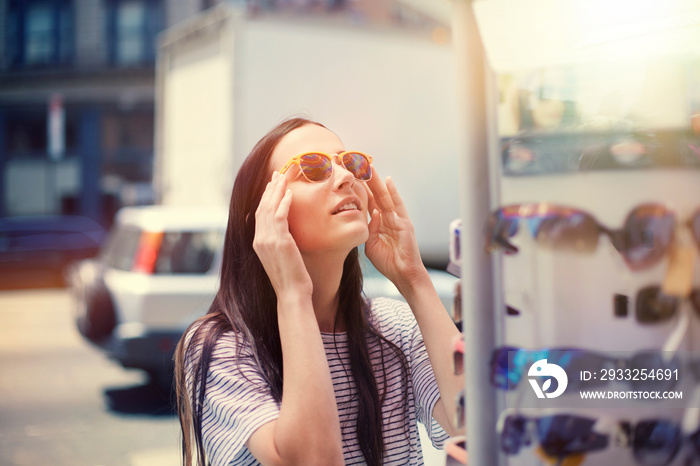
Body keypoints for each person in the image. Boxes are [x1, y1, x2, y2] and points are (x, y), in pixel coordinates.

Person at [174, 117, 463, 466]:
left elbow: (478, 426)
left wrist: (415, 280)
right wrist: (293, 294)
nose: (347, 177)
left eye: (351, 163)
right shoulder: (220, 347)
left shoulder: (394, 327)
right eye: (313, 168)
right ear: (265, 218)